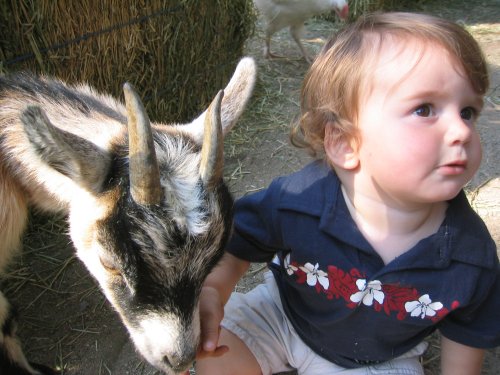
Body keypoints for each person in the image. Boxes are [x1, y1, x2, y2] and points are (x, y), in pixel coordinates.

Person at [195, 11, 500, 375]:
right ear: (343, 144)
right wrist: (212, 289)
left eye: (468, 111)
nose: (461, 131)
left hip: (379, 359)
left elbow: (468, 332)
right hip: (279, 316)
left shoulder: (468, 257)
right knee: (214, 349)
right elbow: (236, 241)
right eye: (424, 109)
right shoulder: (296, 203)